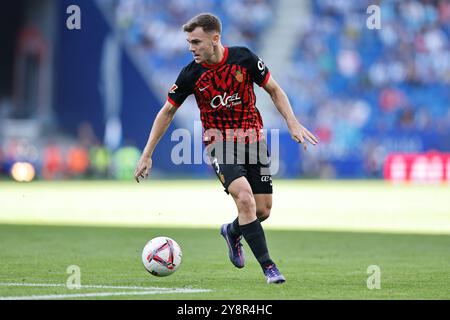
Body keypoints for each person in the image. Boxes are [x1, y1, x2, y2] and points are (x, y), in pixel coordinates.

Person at [134, 13, 318, 284]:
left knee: (262, 210)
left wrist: (292, 123)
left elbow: (275, 90)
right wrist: (147, 153)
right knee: (245, 199)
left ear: (215, 38)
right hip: (218, 143)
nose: (190, 48)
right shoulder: (190, 74)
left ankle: (232, 231)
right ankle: (269, 267)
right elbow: (167, 112)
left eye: (196, 41)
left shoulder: (244, 58)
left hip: (253, 140)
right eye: (189, 42)